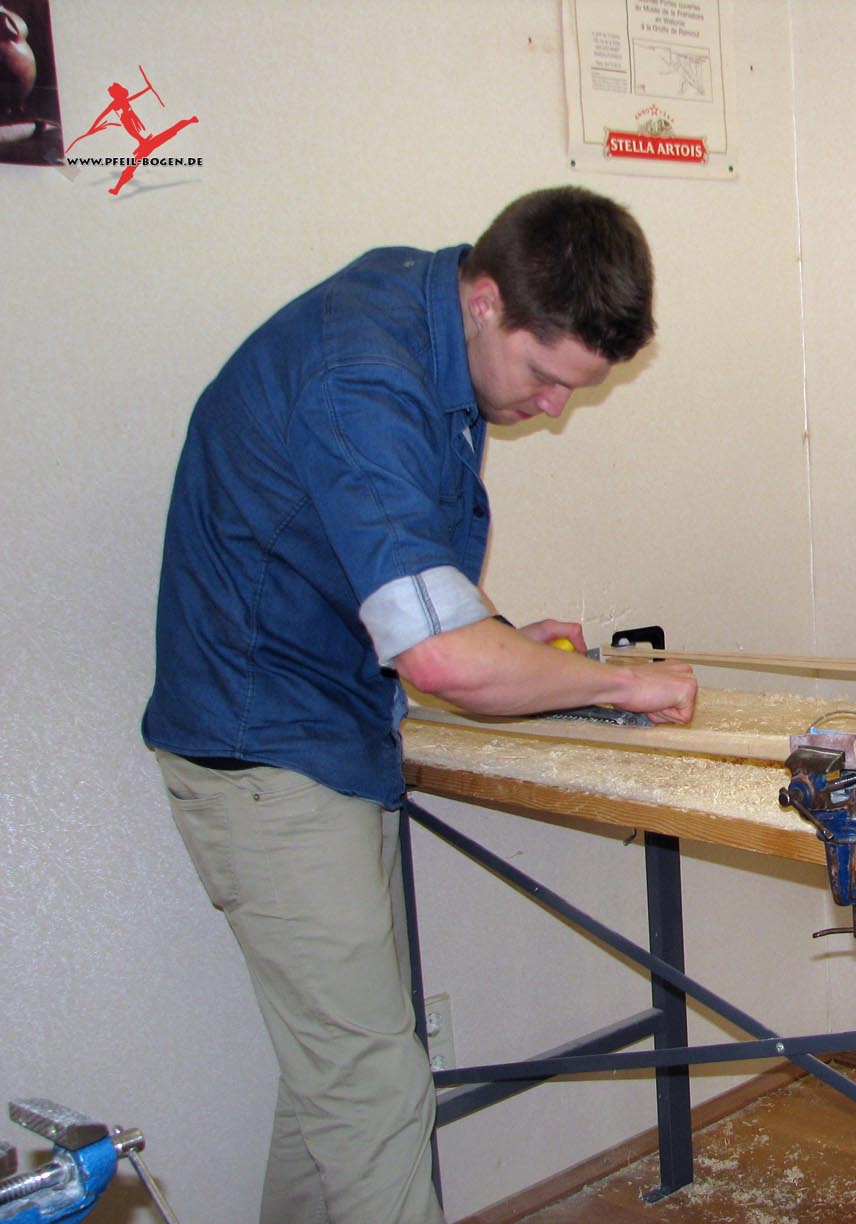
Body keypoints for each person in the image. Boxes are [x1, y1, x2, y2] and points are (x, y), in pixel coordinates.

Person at [142, 186, 697, 1224]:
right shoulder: (363, 372)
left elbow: (407, 572)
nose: (554, 409)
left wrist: (502, 636)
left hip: (321, 734)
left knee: (342, 1084)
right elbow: (440, 660)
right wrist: (620, 681)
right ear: (487, 301)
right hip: (266, 753)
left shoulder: (424, 321)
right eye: (545, 376)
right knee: (374, 1093)